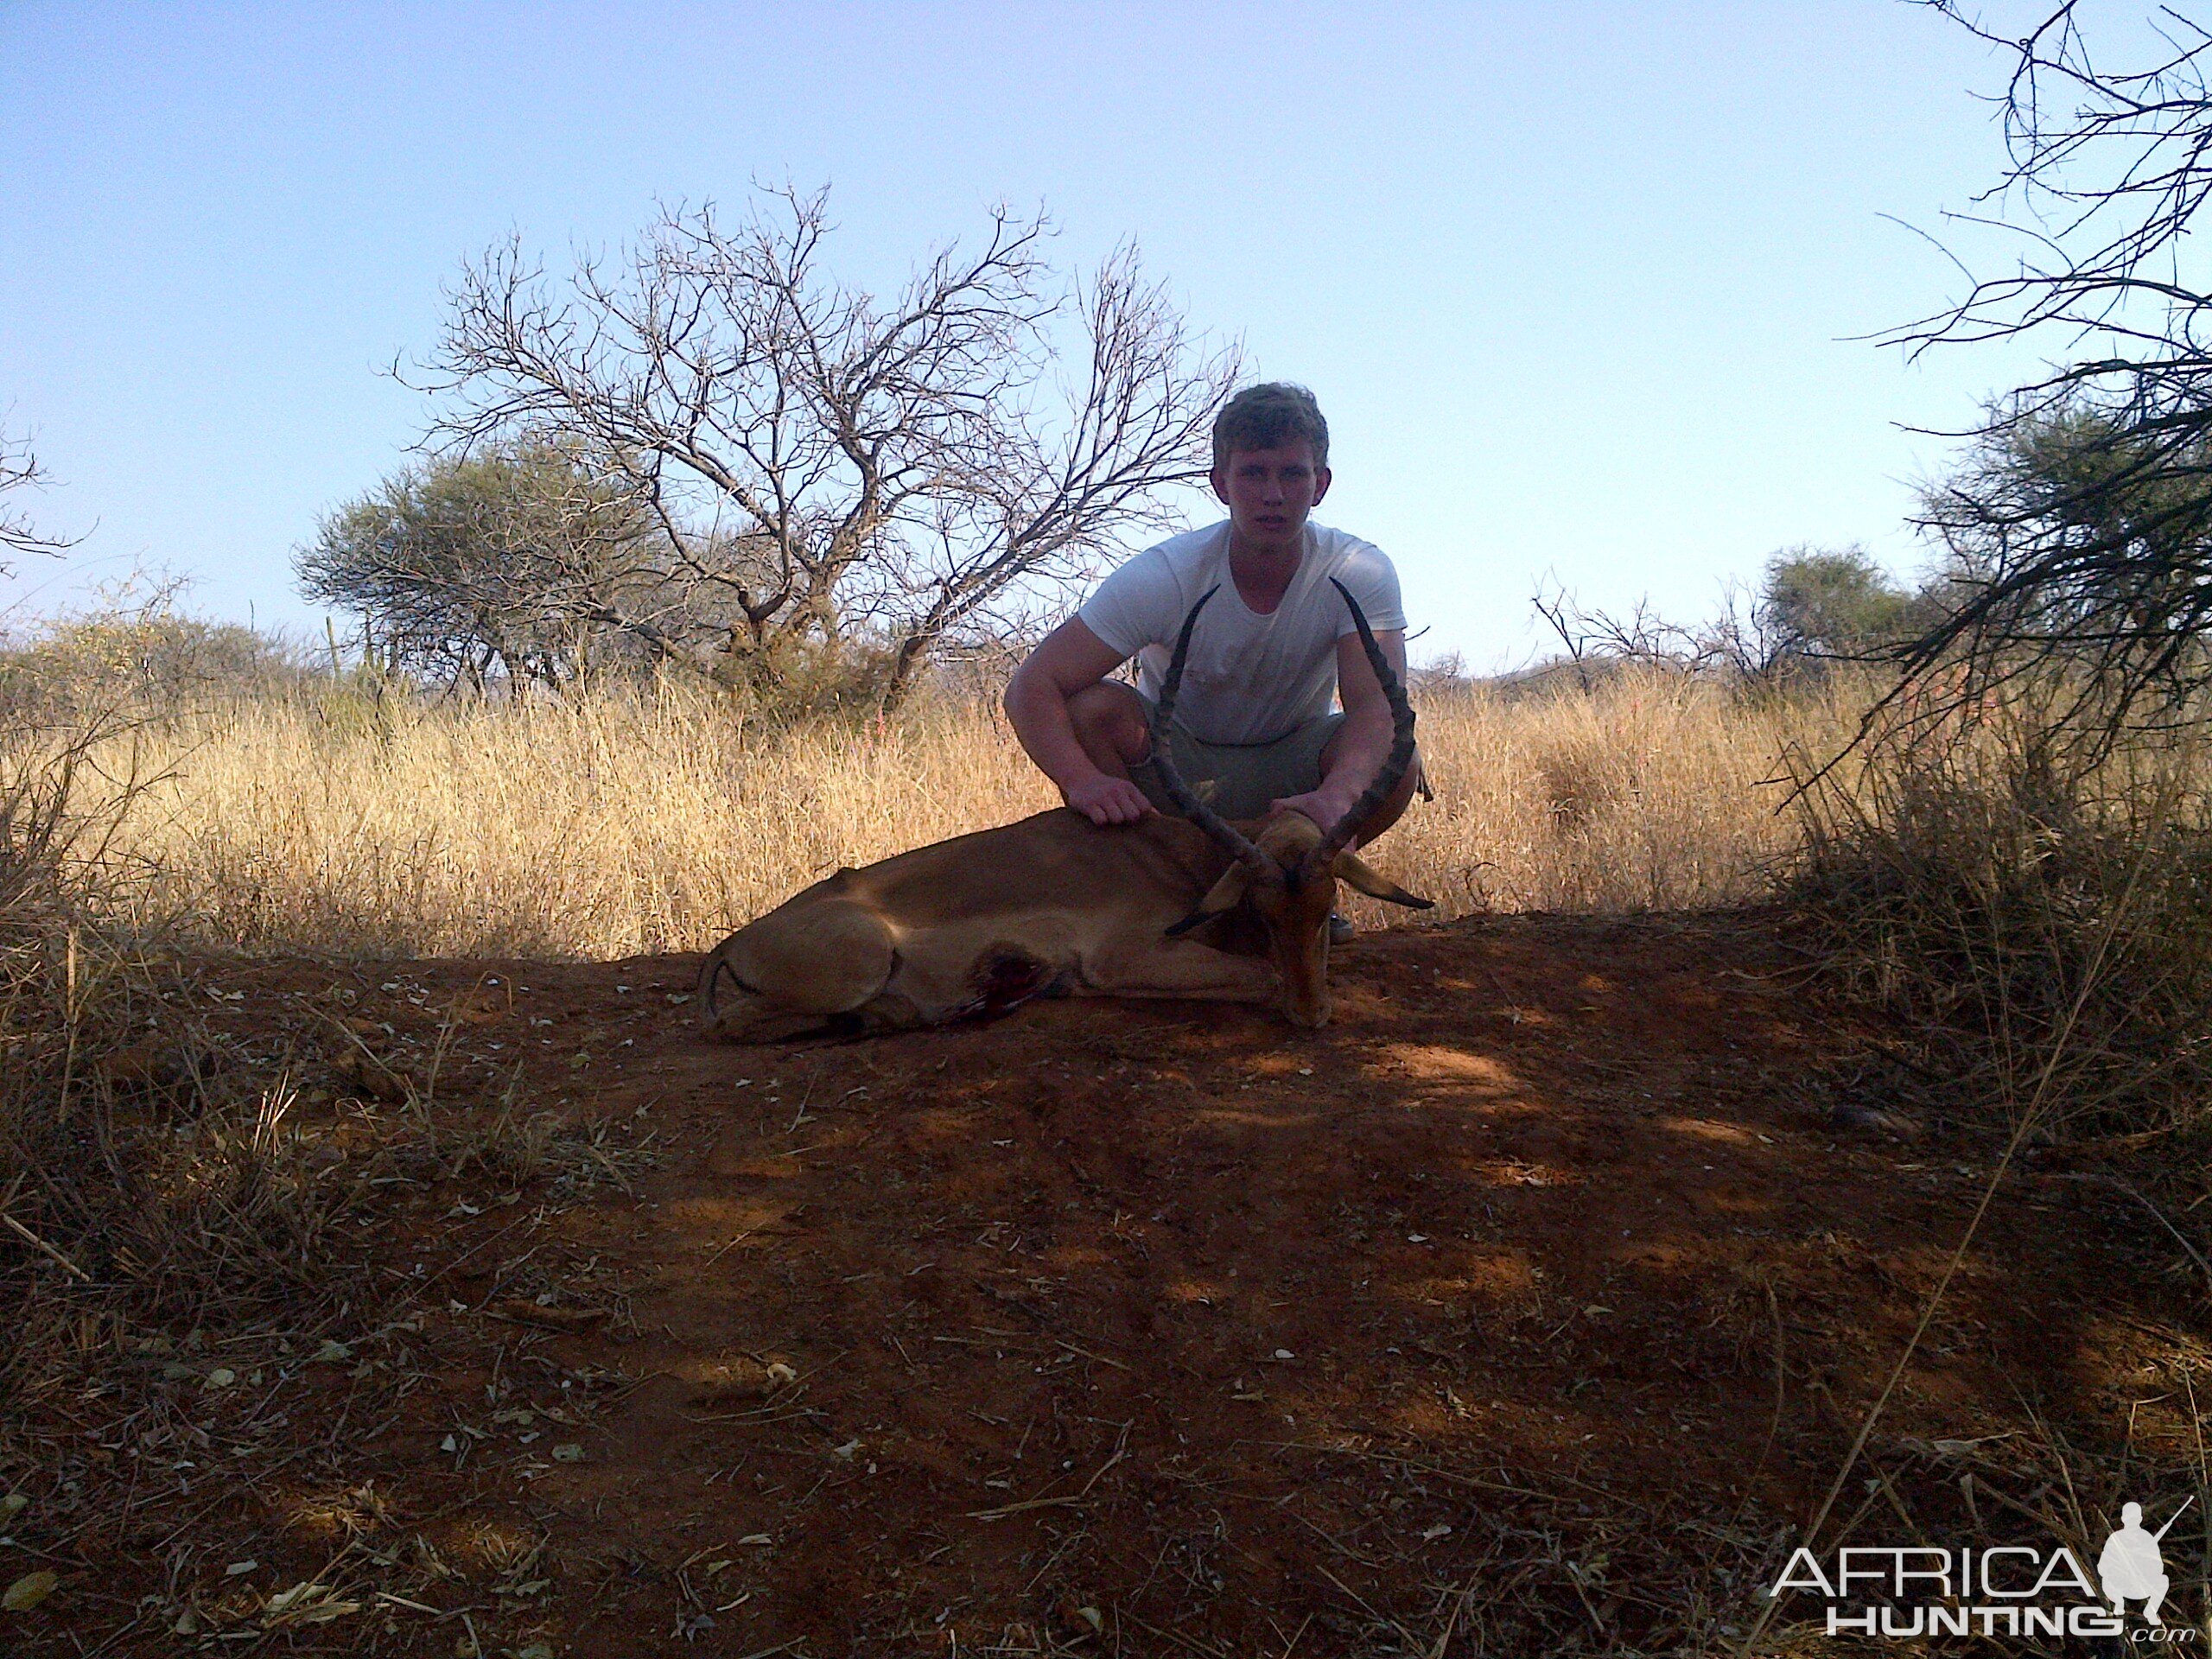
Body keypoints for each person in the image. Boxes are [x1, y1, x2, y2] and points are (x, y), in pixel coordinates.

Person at [1004, 383, 1421, 937]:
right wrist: (1083, 782)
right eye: (1253, 473)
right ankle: (1155, 896)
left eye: (1292, 474)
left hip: (1290, 775)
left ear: (1319, 485)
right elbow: (1033, 685)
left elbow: (1376, 709)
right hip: (1176, 773)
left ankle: (1302, 888)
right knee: (1091, 712)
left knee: (1401, 759)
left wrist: (1337, 798)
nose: (1273, 494)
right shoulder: (1164, 576)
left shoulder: (1358, 570)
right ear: (1221, 484)